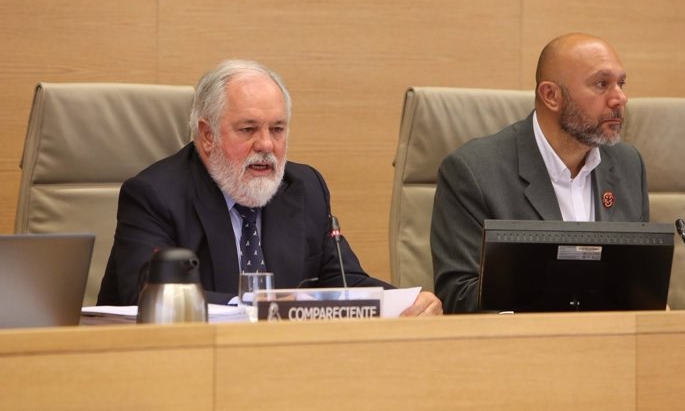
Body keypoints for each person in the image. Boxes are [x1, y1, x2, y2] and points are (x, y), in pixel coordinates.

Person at [98, 59, 441, 317]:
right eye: (248, 129)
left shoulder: (304, 188)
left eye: (277, 129)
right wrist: (262, 307)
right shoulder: (155, 195)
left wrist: (406, 303)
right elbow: (144, 298)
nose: (266, 145)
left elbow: (344, 283)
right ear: (207, 135)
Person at [430, 33, 649, 313]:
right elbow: (458, 296)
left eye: (621, 83)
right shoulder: (473, 171)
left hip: (612, 347)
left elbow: (638, 276)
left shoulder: (629, 164)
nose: (620, 98)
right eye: (601, 84)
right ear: (551, 96)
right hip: (522, 349)